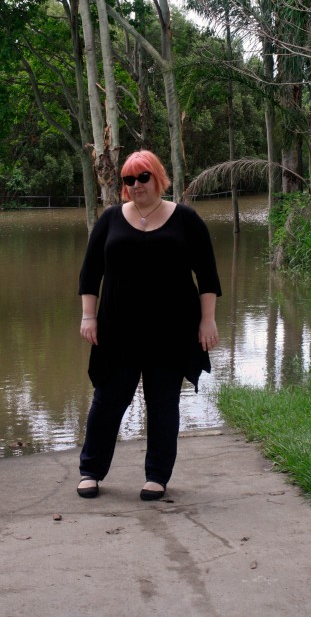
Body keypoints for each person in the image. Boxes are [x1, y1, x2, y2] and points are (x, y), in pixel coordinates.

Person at [77, 150, 221, 500]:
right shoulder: (110, 219)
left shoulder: (186, 219)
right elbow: (90, 273)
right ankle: (91, 471)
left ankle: (156, 476)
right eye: (129, 179)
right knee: (108, 401)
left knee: (162, 403)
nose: (136, 185)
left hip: (171, 331)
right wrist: (88, 315)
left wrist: (208, 321)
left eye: (143, 177)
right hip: (117, 330)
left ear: (158, 177)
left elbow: (207, 275)